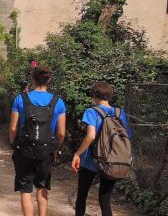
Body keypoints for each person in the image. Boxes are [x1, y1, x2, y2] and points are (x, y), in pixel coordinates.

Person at [9, 65, 67, 216]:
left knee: (25, 189)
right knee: (42, 188)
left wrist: (13, 144)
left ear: (33, 79)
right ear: (49, 80)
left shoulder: (20, 99)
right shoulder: (58, 102)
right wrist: (54, 148)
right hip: (46, 151)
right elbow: (61, 133)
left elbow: (13, 129)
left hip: (24, 149)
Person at [71, 82, 133, 216]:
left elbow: (91, 136)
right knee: (105, 200)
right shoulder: (120, 113)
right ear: (110, 96)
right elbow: (127, 136)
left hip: (90, 160)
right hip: (111, 160)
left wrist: (77, 154)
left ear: (94, 95)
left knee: (82, 196)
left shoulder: (91, 112)